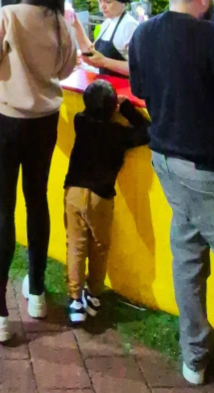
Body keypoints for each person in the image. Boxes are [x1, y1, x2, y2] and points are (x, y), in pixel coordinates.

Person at [129, 0, 214, 389]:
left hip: (166, 159)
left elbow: (140, 90)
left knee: (188, 258)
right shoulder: (213, 38)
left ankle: (194, 357)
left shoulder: (143, 34)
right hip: (211, 168)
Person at [0, 0, 78, 342]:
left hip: (9, 121)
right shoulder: (62, 24)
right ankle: (38, 291)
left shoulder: (9, 15)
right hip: (45, 121)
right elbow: (65, 70)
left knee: (3, 209)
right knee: (37, 201)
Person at [63, 80, 149, 324]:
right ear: (112, 109)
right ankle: (94, 293)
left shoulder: (81, 122)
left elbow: (86, 111)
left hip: (74, 192)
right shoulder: (119, 135)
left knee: (76, 246)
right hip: (101, 197)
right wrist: (127, 109)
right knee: (100, 246)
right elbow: (147, 131)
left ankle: (74, 298)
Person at [72, 0, 137, 77]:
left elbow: (138, 68)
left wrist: (104, 62)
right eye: (100, 1)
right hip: (105, 85)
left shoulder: (129, 26)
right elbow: (93, 52)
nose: (102, 6)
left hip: (123, 89)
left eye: (108, 2)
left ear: (122, 2)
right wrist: (76, 24)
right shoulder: (107, 23)